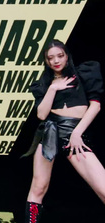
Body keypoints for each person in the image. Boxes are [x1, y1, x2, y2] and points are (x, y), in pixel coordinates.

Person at [24, 39, 105, 223]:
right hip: (50, 131)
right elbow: (42, 115)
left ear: (67, 55)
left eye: (60, 55)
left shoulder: (84, 74)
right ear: (46, 61)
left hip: (75, 132)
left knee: (102, 187)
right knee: (38, 188)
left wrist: (77, 133)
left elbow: (95, 106)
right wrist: (53, 88)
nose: (56, 61)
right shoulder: (44, 84)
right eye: (50, 58)